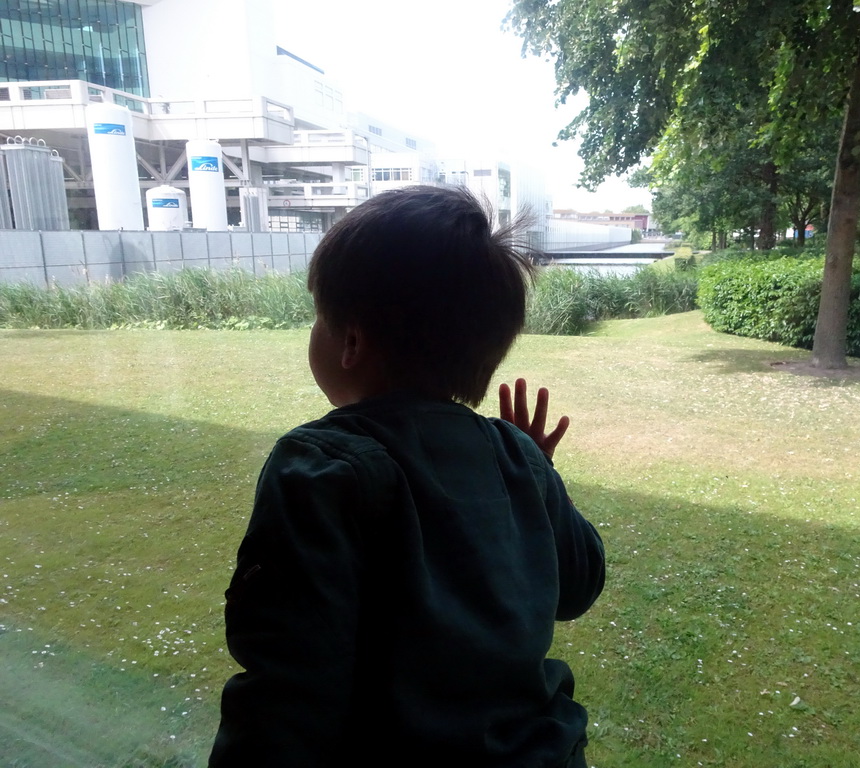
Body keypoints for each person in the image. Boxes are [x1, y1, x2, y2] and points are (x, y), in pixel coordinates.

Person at [209, 185, 606, 767]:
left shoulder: (321, 467)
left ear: (350, 341)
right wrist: (539, 471)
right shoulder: (514, 456)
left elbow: (288, 686)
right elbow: (579, 586)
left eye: (319, 314)